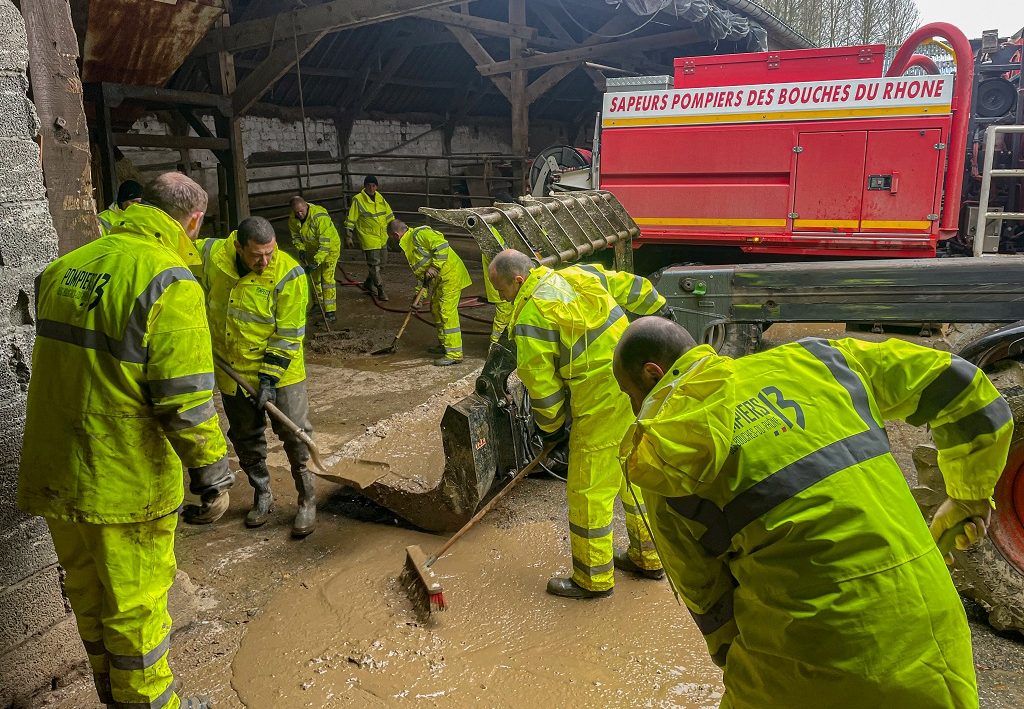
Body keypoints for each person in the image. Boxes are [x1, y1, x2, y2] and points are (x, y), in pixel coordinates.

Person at [613, 317, 1013, 707]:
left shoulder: (667, 452)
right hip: (932, 638)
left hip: (804, 661)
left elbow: (710, 603)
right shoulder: (820, 361)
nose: (637, 409)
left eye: (632, 396)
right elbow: (961, 382)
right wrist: (968, 495)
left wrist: (747, 667)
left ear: (653, 375)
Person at [19, 172, 232, 709]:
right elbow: (185, 400)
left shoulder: (66, 267)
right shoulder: (170, 281)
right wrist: (212, 473)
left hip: (56, 473)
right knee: (137, 616)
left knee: (90, 601)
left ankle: (112, 699)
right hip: (121, 481)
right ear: (193, 221)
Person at [486, 249, 671, 598]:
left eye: (502, 291)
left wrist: (552, 428)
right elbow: (634, 286)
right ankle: (648, 558)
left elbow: (543, 389)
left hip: (600, 398)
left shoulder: (530, 317)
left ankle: (593, 579)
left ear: (519, 280)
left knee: (589, 487)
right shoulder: (578, 274)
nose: (502, 298)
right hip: (636, 383)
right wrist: (660, 310)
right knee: (634, 472)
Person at [196, 216, 317, 538]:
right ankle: (262, 493)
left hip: (282, 372)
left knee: (295, 435)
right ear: (238, 246)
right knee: (246, 438)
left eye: (270, 253)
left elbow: (289, 333)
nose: (265, 262)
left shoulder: (289, 273)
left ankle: (307, 499)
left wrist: (268, 380)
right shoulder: (210, 255)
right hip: (232, 370)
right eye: (256, 255)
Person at [388, 219, 472, 366]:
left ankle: (455, 353)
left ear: (395, 235)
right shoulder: (409, 247)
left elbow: (442, 245)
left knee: (446, 311)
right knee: (435, 309)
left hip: (450, 275)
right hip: (440, 279)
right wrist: (418, 298)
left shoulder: (419, 234)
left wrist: (435, 267)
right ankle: (445, 344)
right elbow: (422, 276)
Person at [288, 196, 340, 321]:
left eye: (302, 211)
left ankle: (330, 312)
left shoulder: (319, 216)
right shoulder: (293, 219)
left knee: (327, 280)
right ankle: (318, 304)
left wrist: (316, 261)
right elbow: (295, 236)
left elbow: (325, 243)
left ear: (306, 206)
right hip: (311, 250)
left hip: (329, 250)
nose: (300, 214)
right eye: (297, 212)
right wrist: (301, 248)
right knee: (314, 278)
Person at [345, 175, 395, 301]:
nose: (371, 188)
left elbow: (389, 215)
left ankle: (368, 282)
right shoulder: (358, 200)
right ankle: (380, 289)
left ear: (376, 186)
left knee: (382, 264)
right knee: (374, 265)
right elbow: (351, 218)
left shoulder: (380, 198)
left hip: (382, 237)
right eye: (369, 185)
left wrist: (395, 230)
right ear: (365, 186)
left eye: (373, 185)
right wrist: (349, 236)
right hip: (368, 237)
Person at [480, 193, 515, 345]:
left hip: (503, 281)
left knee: (507, 316)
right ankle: (495, 349)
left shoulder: (495, 228)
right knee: (503, 318)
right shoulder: (496, 231)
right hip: (503, 282)